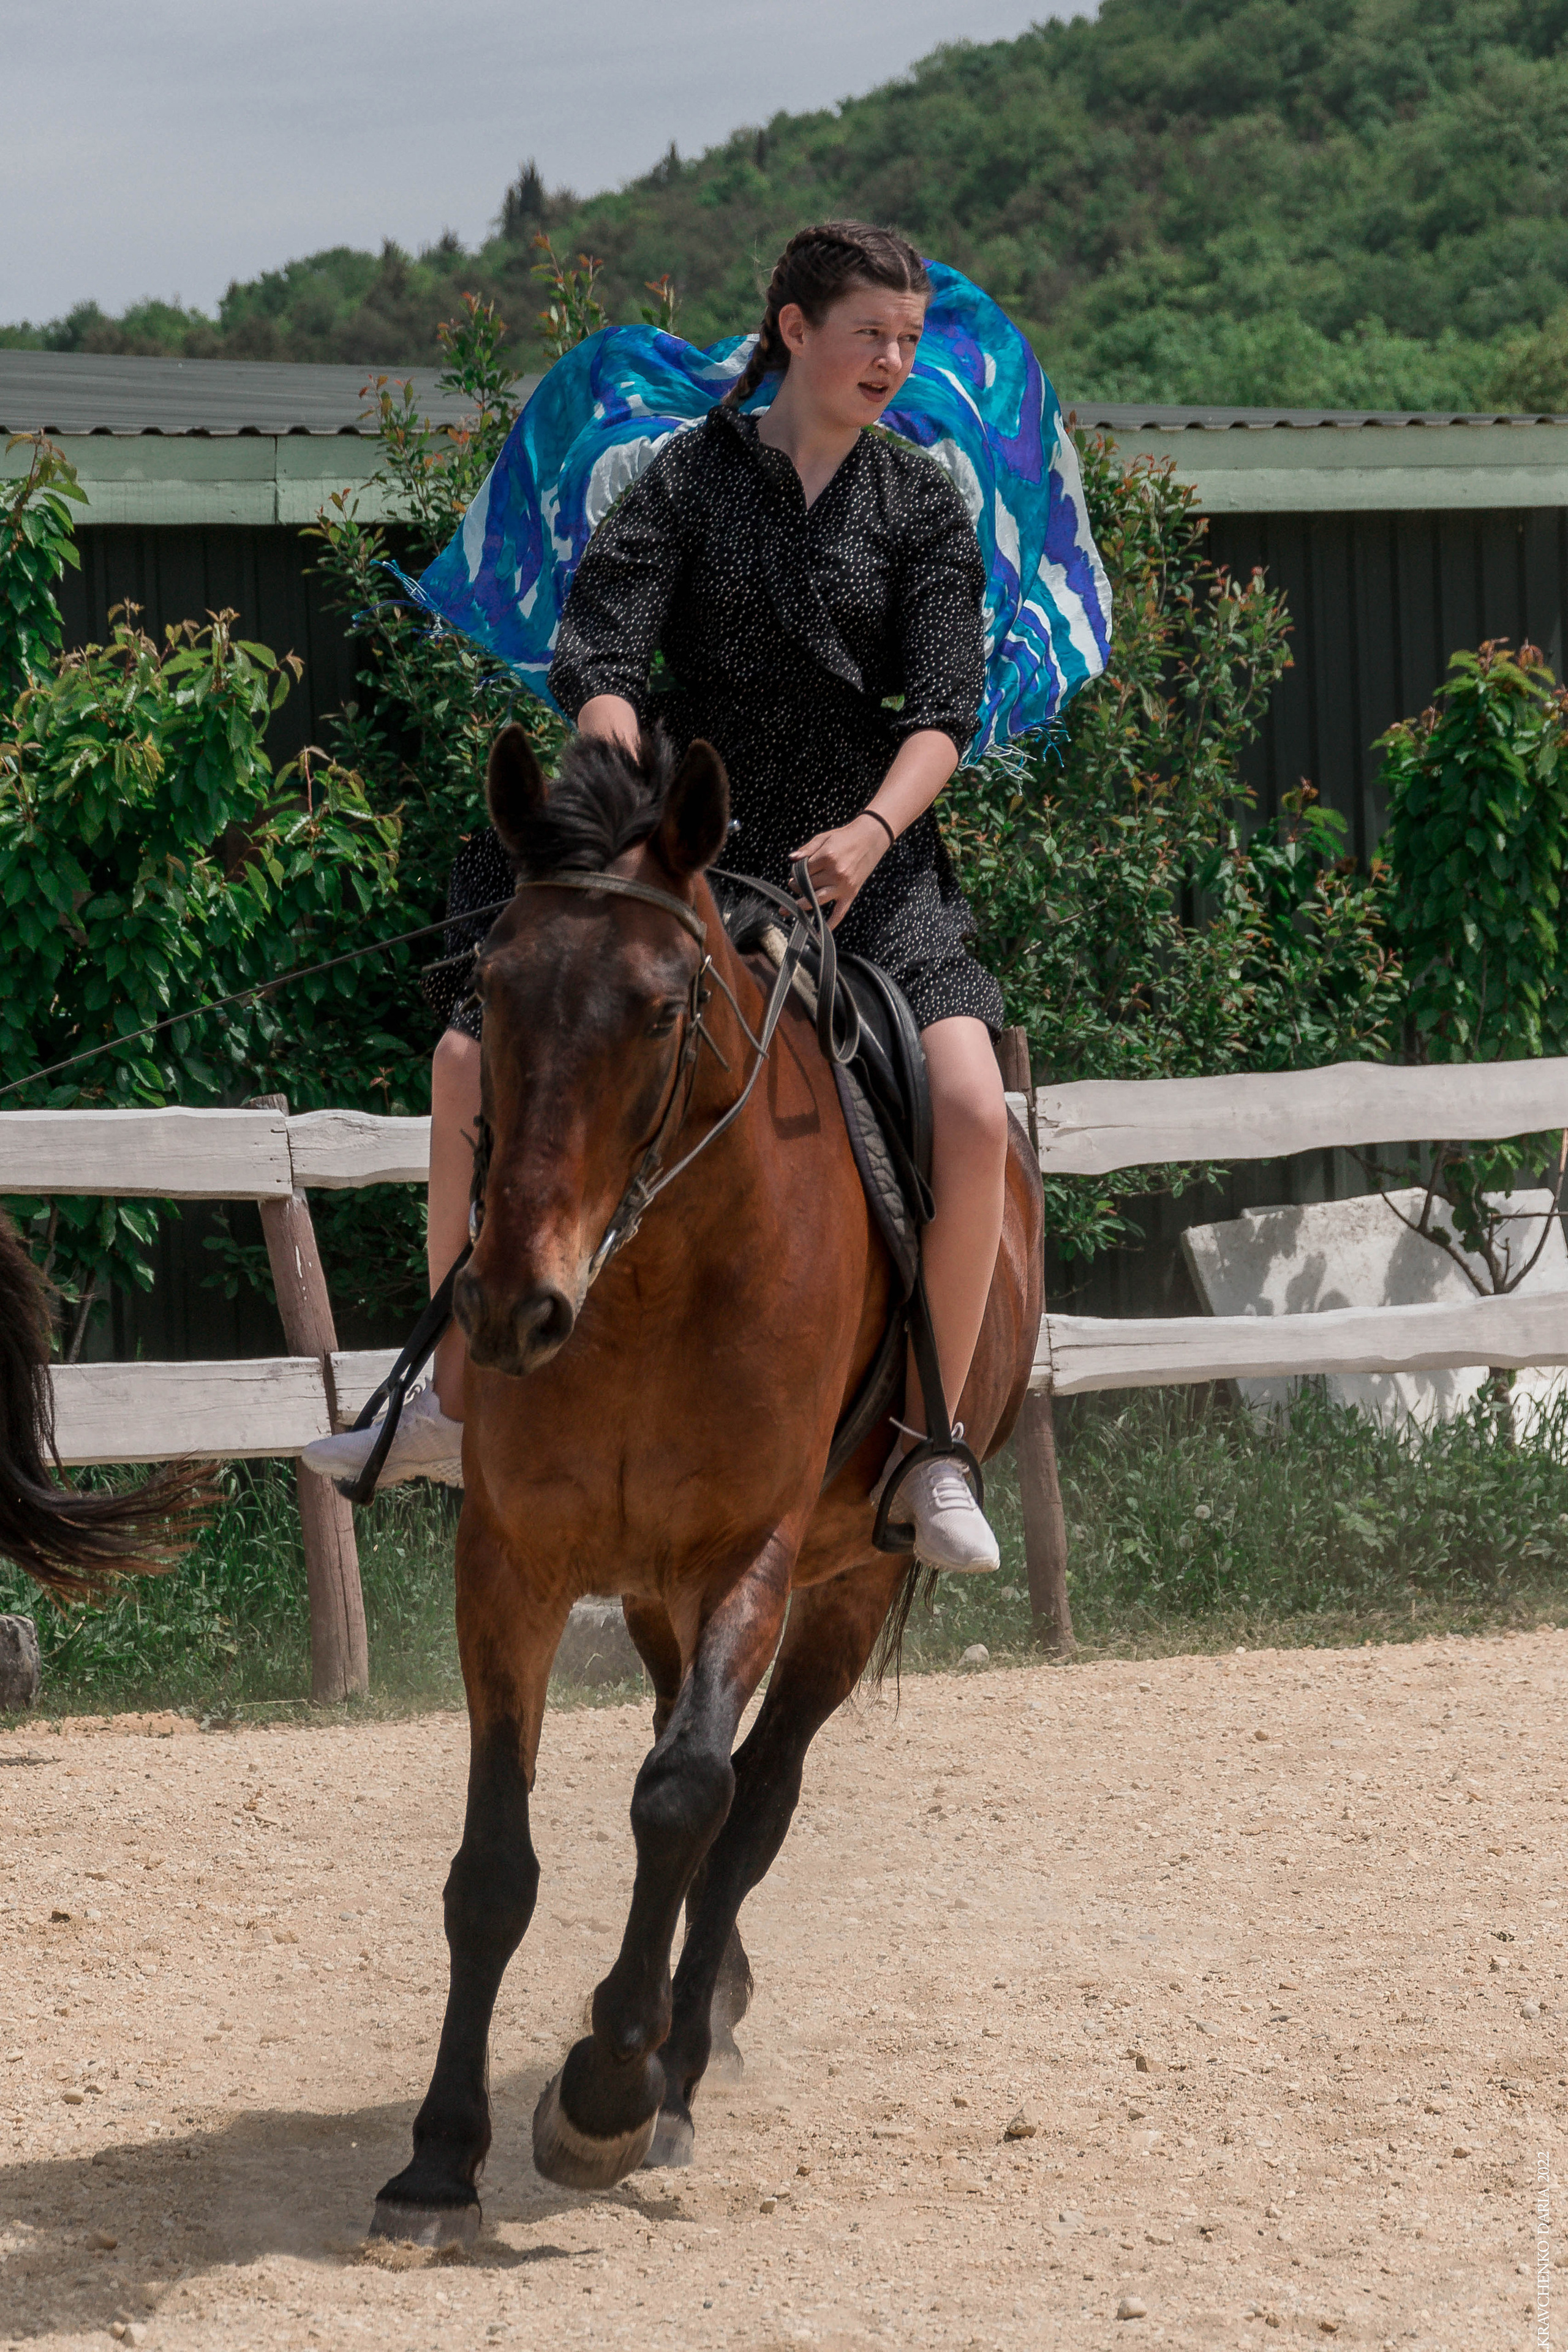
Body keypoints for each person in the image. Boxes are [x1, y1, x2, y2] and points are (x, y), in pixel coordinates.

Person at [305, 221, 1099, 1573]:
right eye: (870, 336)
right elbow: (597, 647)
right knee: (459, 1068)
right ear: (793, 330)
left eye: (908, 341)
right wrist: (612, 739)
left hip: (861, 859)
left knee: (970, 1107)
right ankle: (445, 1400)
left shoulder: (918, 503)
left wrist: (864, 832)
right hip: (682, 846)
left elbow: (945, 714)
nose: (895, 362)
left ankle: (927, 1447)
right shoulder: (682, 481)